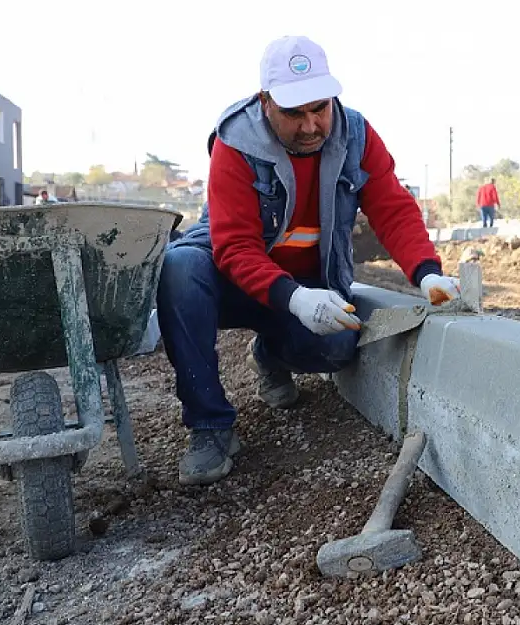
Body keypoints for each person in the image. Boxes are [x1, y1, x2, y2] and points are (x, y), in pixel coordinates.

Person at [157, 35, 462, 486]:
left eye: (319, 108)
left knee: (336, 347)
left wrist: (426, 272)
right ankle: (210, 426)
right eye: (293, 113)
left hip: (307, 274)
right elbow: (235, 248)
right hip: (230, 273)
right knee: (180, 270)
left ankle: (272, 353)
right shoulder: (236, 143)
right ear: (265, 103)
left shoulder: (356, 135)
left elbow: (391, 208)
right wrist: (296, 299)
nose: (310, 125)